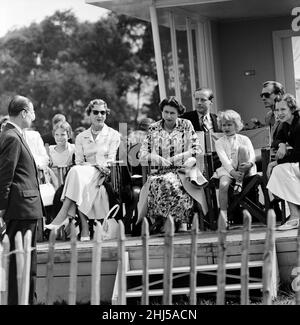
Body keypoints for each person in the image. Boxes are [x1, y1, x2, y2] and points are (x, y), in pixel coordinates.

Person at [45, 99, 121, 241]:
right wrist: (87, 166)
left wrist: (94, 165)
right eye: (96, 112)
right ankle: (84, 227)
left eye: (103, 112)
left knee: (76, 172)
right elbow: (79, 161)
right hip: (84, 173)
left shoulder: (114, 135)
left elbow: (110, 160)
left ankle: (64, 216)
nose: (100, 115)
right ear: (89, 114)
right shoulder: (81, 137)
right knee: (77, 173)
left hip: (104, 173)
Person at [136, 96, 208, 233]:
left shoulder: (186, 125)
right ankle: (165, 221)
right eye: (166, 112)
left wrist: (179, 157)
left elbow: (197, 149)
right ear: (162, 112)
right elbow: (142, 154)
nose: (168, 116)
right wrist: (157, 158)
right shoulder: (153, 128)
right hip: (159, 171)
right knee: (158, 181)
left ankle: (178, 221)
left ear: (178, 113)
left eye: (172, 113)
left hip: (183, 170)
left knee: (169, 181)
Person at [0, 95, 44, 305]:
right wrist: (1, 210)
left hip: (24, 208)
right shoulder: (11, 137)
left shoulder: (14, 134)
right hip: (20, 210)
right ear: (24, 112)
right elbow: (4, 177)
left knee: (27, 265)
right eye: (32, 111)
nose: (34, 117)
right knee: (22, 265)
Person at [213, 110, 257, 225]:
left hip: (244, 169)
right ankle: (223, 215)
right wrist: (233, 173)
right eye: (223, 125)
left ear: (236, 125)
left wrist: (250, 164)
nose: (226, 128)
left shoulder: (244, 139)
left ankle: (239, 180)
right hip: (228, 170)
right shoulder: (219, 142)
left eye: (229, 124)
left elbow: (252, 154)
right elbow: (224, 160)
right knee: (223, 185)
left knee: (243, 149)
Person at [267, 94, 300, 231]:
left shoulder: (299, 124)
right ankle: (295, 215)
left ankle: (295, 215)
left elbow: (299, 153)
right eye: (277, 110)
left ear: (292, 109)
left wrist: (276, 162)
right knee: (281, 170)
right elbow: (275, 140)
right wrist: (281, 145)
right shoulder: (285, 124)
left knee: (280, 170)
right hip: (297, 162)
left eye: (283, 110)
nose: (279, 113)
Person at [260, 81, 288, 149]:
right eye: (262, 95)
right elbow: (269, 140)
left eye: (266, 95)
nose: (263, 98)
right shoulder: (268, 116)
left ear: (279, 94)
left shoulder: (290, 114)